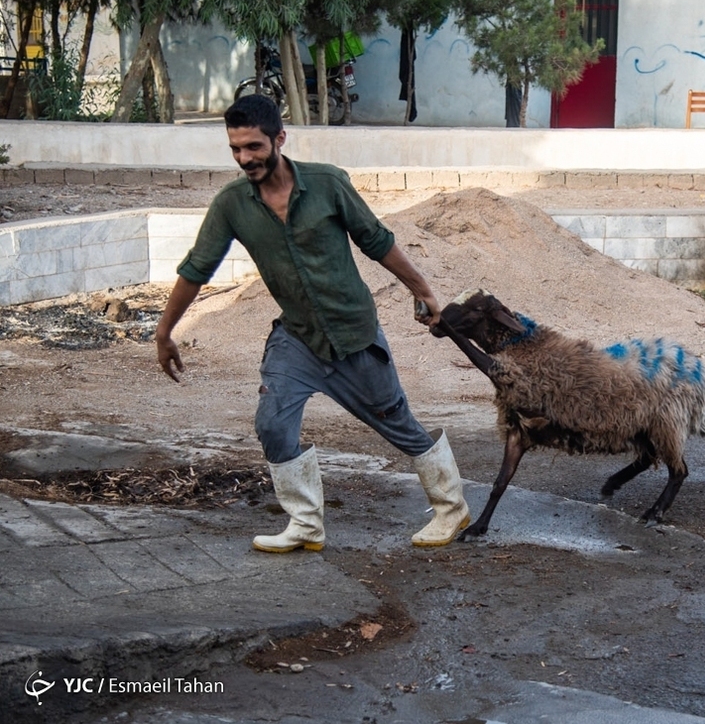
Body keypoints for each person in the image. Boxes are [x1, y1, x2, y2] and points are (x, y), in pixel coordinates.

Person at [154, 94, 469, 551]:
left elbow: (376, 240)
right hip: (297, 339)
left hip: (354, 335)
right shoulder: (231, 205)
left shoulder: (326, 184)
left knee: (399, 424)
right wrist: (164, 332)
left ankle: (452, 509)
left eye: (254, 147)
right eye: (236, 149)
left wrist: (422, 290)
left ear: (279, 139)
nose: (245, 159)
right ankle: (305, 525)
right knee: (273, 425)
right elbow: (196, 269)